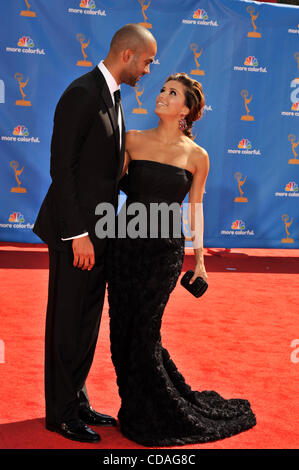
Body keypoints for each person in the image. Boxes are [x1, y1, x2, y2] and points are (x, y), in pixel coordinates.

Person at [106, 73, 256, 446]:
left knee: (144, 333)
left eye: (172, 93)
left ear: (186, 109)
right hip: (125, 245)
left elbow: (195, 210)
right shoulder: (133, 140)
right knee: (122, 333)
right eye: (161, 89)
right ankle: (135, 406)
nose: (162, 95)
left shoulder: (196, 155)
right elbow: (108, 189)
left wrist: (200, 260)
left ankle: (153, 413)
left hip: (163, 254)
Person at [33, 24, 157, 443]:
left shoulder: (113, 96)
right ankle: (60, 414)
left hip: (100, 228)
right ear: (127, 54)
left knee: (86, 320)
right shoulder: (83, 93)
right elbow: (61, 168)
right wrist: (77, 234)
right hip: (78, 233)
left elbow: (104, 172)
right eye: (147, 61)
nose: (148, 70)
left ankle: (77, 399)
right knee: (69, 319)